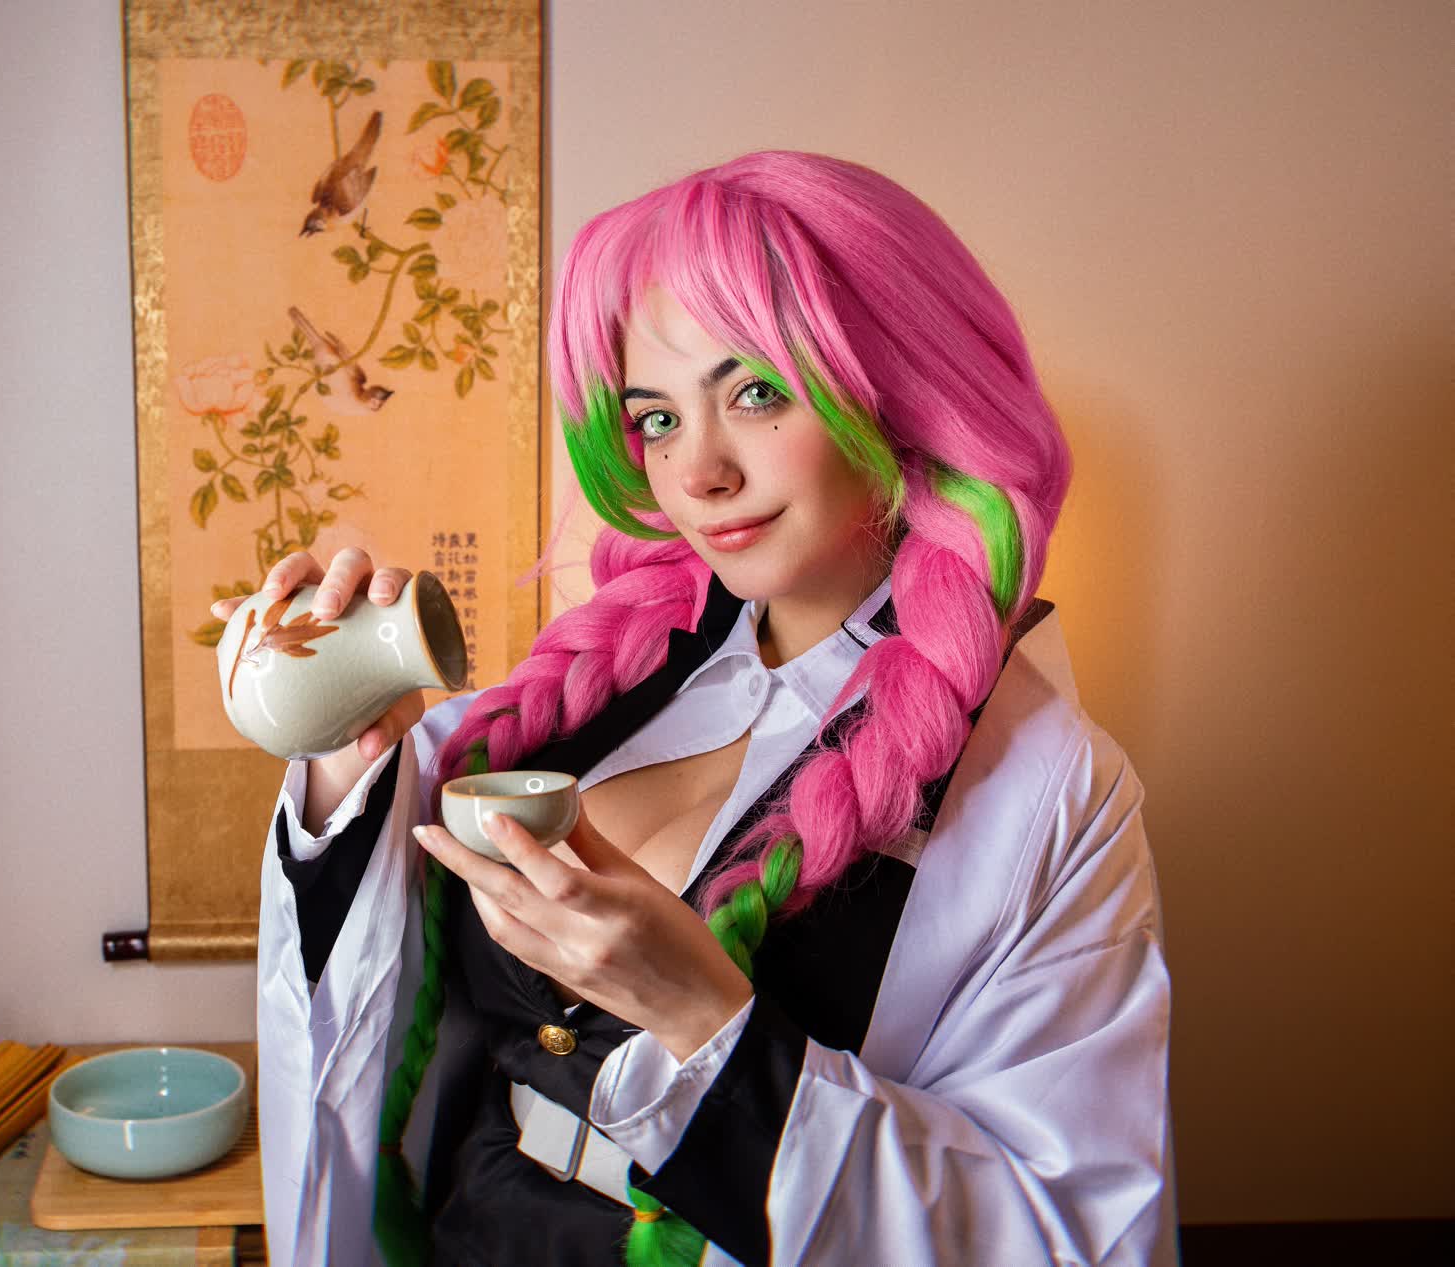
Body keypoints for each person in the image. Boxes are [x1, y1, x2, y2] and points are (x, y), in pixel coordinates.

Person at [217, 150, 1177, 1266]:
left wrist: (709, 1023)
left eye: (756, 393)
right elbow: (378, 1006)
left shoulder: (1050, 790)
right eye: (657, 417)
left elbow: (1066, 1229)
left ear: (901, 392)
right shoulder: (606, 676)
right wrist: (352, 756)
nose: (697, 473)